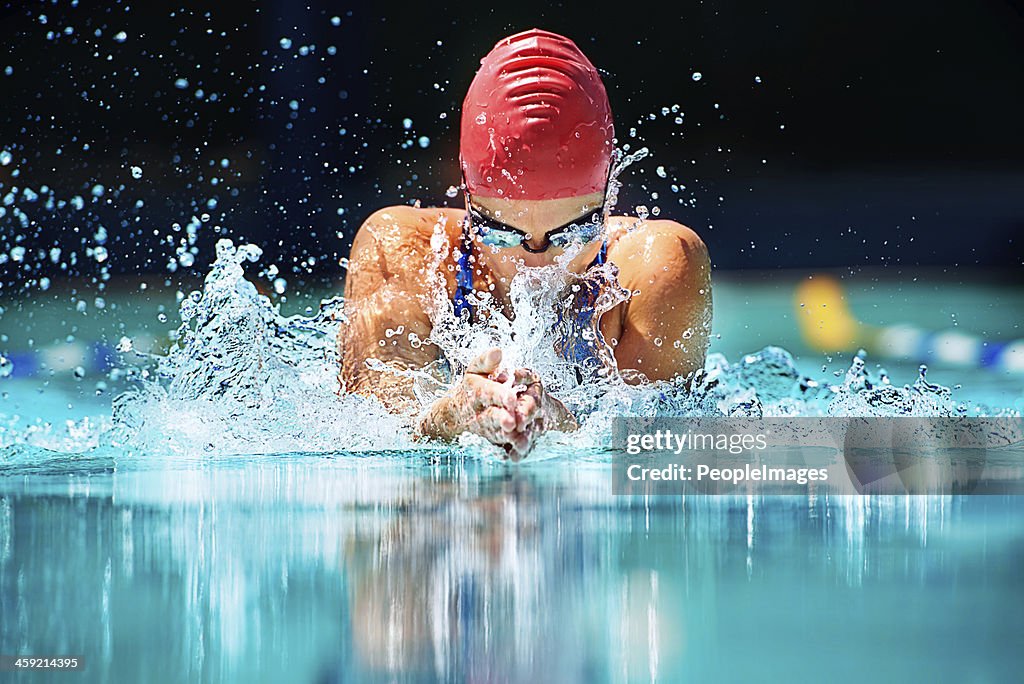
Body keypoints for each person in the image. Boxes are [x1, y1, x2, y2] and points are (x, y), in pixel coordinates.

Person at [338, 28, 711, 459]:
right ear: (467, 197)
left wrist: (559, 420)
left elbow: (658, 452)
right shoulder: (404, 251)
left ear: (609, 196)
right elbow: (368, 439)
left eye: (573, 232)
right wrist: (447, 416)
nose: (536, 262)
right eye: (501, 232)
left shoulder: (659, 264)